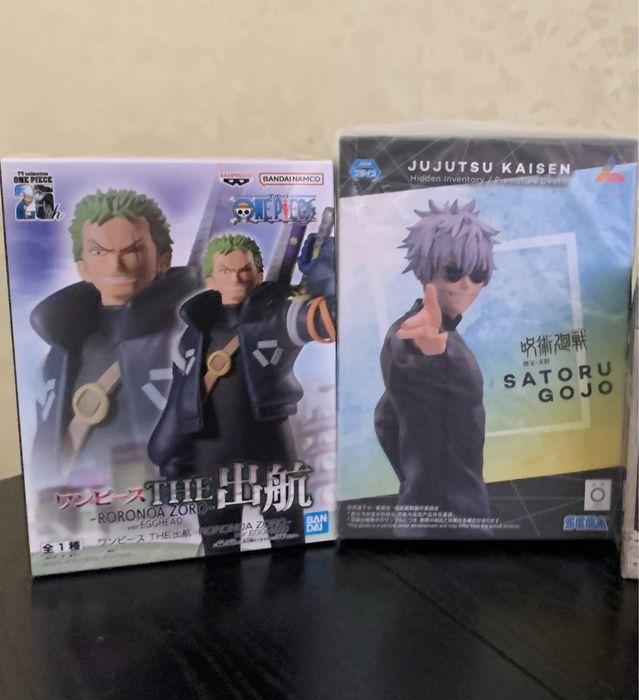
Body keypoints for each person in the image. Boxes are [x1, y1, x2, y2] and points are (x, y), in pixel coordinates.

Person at [148, 231, 335, 553]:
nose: (236, 278)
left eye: (244, 269)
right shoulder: (192, 336)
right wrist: (169, 453)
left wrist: (326, 275)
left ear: (258, 275)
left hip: (270, 453)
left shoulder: (279, 319)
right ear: (210, 278)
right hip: (210, 458)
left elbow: (331, 317)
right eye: (225, 270)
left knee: (289, 549)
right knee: (218, 554)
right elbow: (180, 400)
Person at [30, 188, 199, 484]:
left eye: (133, 250)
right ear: (82, 267)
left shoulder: (187, 339)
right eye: (99, 251)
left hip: (166, 497)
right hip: (76, 501)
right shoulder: (58, 356)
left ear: (163, 259)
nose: (115, 265)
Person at [374, 199, 498, 530]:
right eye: (453, 272)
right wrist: (429, 350)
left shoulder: (447, 333)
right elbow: (410, 348)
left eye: (478, 273)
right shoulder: (415, 331)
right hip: (455, 522)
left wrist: (415, 481)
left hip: (426, 515)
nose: (466, 284)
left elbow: (384, 418)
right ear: (425, 271)